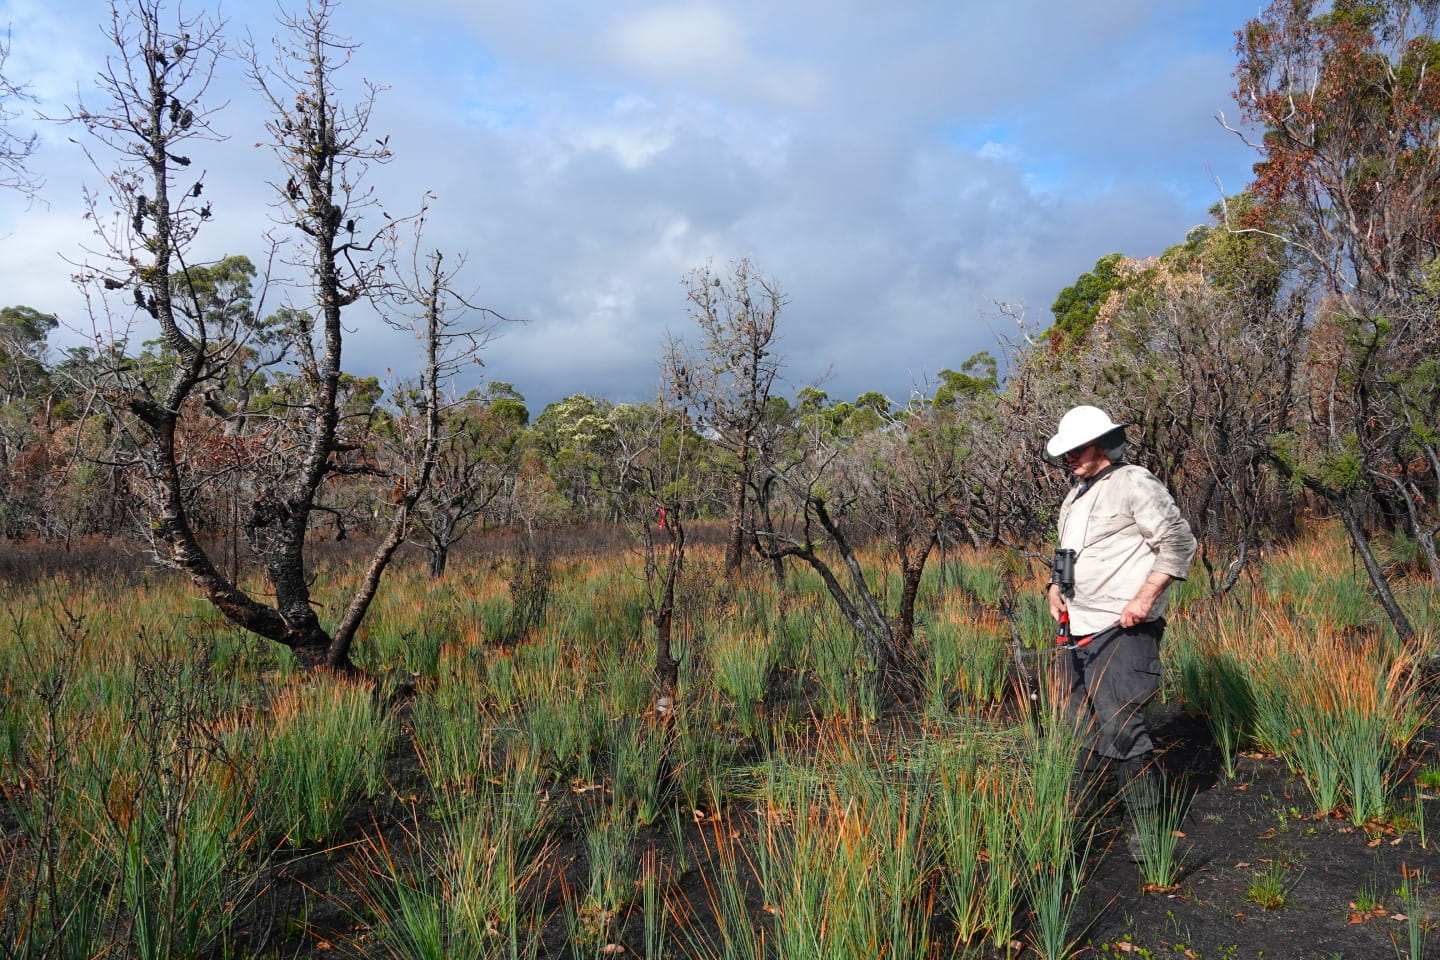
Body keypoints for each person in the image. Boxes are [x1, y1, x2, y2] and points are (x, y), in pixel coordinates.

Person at [1044, 405, 1196, 836]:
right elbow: (1068, 555)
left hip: (1123, 629)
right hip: (1077, 627)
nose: (1069, 458)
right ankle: (1083, 820)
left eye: (1077, 449)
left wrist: (1145, 599)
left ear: (1103, 445)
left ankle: (1148, 837)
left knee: (1122, 725)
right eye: (1065, 452)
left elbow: (1180, 541)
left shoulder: (1135, 482)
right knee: (1080, 723)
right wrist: (1055, 587)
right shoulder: (1075, 495)